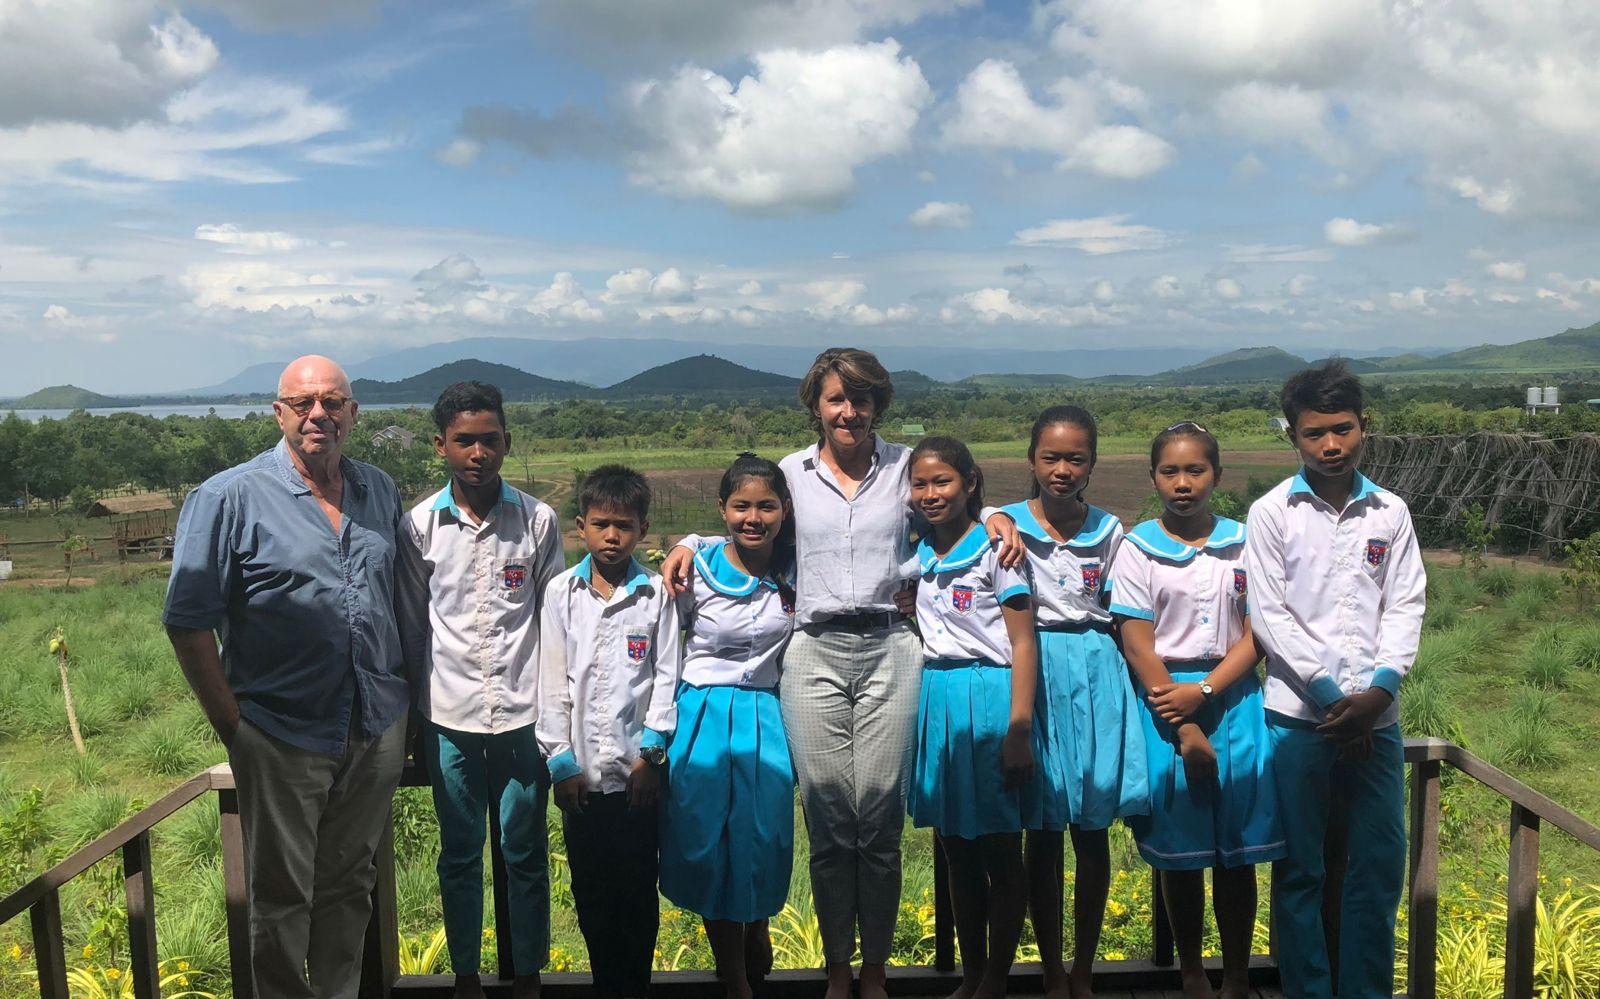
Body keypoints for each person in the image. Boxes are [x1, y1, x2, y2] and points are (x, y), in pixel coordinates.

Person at [660, 348, 1022, 999]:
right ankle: (835, 970)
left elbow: (957, 504)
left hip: (891, 645)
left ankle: (876, 970)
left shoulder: (907, 467)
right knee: (828, 821)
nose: (849, 411)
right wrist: (686, 541)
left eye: (861, 399)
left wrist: (1000, 514)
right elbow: (746, 519)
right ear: (815, 405)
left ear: (879, 404)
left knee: (879, 821)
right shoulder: (794, 475)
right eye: (835, 399)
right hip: (812, 650)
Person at [163, 355, 417, 999]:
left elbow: (402, 601)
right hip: (280, 733)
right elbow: (188, 622)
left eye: (332, 402)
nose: (318, 415)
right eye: (302, 403)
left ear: (353, 415)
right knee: (279, 897)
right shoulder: (227, 497)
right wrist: (236, 729)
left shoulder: (379, 491)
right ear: (278, 413)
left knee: (349, 884)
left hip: (375, 724)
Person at [1246, 362, 1425, 999]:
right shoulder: (1272, 513)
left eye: (1343, 430)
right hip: (1299, 720)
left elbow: (1405, 604)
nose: (1331, 446)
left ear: (1364, 427)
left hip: (1377, 721)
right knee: (1300, 870)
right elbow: (1269, 614)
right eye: (1314, 433)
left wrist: (1377, 692)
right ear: (1292, 435)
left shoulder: (1391, 513)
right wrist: (1331, 698)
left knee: (1376, 868)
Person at [1110, 423, 1285, 999]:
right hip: (1164, 701)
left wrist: (1206, 692)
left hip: (1235, 698)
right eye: (1169, 471)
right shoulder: (1137, 548)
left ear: (1217, 473)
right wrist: (1184, 723)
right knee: (1182, 853)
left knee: (1236, 853)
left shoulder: (1245, 542)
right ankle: (1190, 970)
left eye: (1195, 470)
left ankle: (1236, 974)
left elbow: (1260, 631)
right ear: (1153, 476)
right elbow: (1137, 642)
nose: (1182, 483)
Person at [405, 382, 565, 999]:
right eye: (464, 441)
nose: (478, 452)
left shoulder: (537, 520)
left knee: (524, 852)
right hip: (449, 718)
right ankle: (466, 976)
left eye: (490, 439)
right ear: (441, 445)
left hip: (525, 718)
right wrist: (416, 725)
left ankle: (529, 975)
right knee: (460, 852)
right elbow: (412, 628)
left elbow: (556, 620)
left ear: (507, 442)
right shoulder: (419, 525)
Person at [1000, 406, 1147, 999]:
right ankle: (1052, 968)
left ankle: (1084, 969)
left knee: (1091, 829)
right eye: (1051, 457)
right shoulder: (1001, 524)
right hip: (1032, 671)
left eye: (1076, 459)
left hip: (1096, 675)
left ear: (1093, 464)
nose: (1062, 470)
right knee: (1044, 830)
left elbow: (1126, 610)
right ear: (1031, 460)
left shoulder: (1110, 532)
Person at [538, 466, 680, 999]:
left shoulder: (656, 597)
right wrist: (560, 761)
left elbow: (667, 678)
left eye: (624, 525)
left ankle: (635, 988)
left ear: (643, 528)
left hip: (637, 779)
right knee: (592, 894)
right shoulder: (560, 593)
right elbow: (552, 680)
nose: (613, 536)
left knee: (639, 894)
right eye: (601, 525)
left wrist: (651, 754)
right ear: (581, 527)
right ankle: (606, 987)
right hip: (581, 781)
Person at [660, 454, 798, 999]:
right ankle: (734, 974)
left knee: (762, 837)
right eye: (741, 506)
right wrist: (688, 542)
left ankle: (757, 930)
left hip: (765, 713)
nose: (753, 518)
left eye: (766, 506)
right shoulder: (698, 568)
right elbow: (668, 647)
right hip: (702, 715)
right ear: (722, 509)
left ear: (785, 511)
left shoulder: (795, 569)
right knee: (709, 839)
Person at [906, 436, 1038, 999]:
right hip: (937, 697)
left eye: (944, 482)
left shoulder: (996, 551)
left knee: (1002, 850)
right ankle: (971, 972)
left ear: (971, 482)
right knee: (954, 847)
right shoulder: (918, 554)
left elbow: (1024, 642)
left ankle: (998, 979)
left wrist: (1018, 729)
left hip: (988, 698)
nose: (932, 494)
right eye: (920, 484)